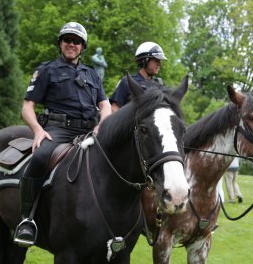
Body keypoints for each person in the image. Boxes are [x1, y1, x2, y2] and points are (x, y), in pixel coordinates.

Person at [13, 21, 111, 247]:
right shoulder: (46, 70)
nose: (72, 44)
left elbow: (104, 105)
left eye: (77, 41)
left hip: (89, 130)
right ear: (60, 43)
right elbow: (27, 107)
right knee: (38, 158)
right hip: (58, 130)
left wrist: (101, 125)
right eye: (67, 40)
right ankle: (26, 220)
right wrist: (38, 130)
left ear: (82, 47)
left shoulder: (92, 74)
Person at [109, 41, 167, 111]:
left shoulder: (159, 84)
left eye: (160, 60)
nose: (159, 64)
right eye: (156, 60)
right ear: (144, 60)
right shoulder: (127, 82)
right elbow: (115, 108)